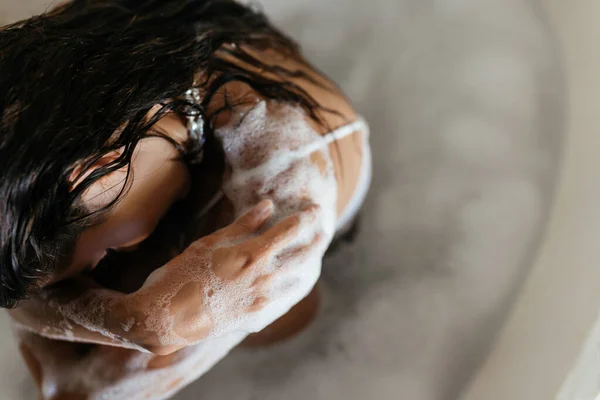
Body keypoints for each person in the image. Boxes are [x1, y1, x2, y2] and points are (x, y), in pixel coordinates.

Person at [0, 0, 372, 398]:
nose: (104, 259)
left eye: (103, 250)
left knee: (268, 314)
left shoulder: (281, 156)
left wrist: (153, 324)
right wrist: (122, 320)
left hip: (315, 248)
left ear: (98, 176)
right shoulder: (68, 68)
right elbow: (30, 301)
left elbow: (81, 394)